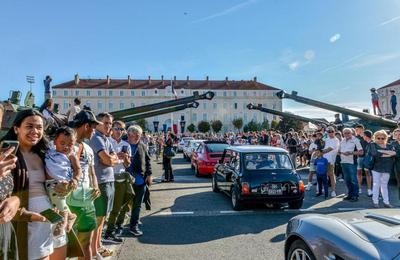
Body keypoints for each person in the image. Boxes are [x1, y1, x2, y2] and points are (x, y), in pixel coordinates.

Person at [3, 109, 68, 260]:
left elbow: (50, 186)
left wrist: (62, 188)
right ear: (16, 128)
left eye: (39, 127)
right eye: (29, 126)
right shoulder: (6, 154)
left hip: (49, 218)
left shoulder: (44, 154)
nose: (35, 131)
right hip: (23, 222)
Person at [68, 110, 101, 260]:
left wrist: (96, 185)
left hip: (87, 202)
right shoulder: (62, 144)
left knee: (86, 243)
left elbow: (92, 171)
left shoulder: (88, 149)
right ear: (87, 126)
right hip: (66, 203)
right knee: (64, 246)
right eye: (94, 128)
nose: (94, 132)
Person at [89, 112, 118, 258]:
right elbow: (108, 159)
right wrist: (111, 159)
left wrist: (111, 159)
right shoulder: (96, 138)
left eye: (110, 123)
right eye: (105, 123)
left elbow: (115, 158)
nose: (109, 126)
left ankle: (98, 246)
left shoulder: (106, 139)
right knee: (98, 218)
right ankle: (94, 251)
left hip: (108, 180)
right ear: (98, 123)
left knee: (103, 218)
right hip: (101, 182)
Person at [44, 127, 81, 237]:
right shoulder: (50, 152)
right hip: (49, 182)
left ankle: (63, 221)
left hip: (63, 182)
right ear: (55, 141)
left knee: (57, 197)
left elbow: (78, 169)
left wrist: (75, 179)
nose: (66, 147)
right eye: (62, 143)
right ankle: (69, 216)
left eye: (70, 144)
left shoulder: (71, 155)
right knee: (53, 201)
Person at [104, 121, 132, 243]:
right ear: (112, 129)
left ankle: (110, 230)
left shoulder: (126, 144)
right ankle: (107, 230)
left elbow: (127, 165)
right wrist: (115, 157)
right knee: (105, 208)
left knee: (118, 206)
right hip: (107, 177)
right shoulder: (107, 141)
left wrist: (125, 158)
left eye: (121, 129)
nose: (119, 131)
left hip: (120, 177)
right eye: (117, 128)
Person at [126, 125, 152, 237]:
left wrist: (149, 174)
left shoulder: (142, 145)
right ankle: (116, 228)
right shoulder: (123, 144)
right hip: (125, 180)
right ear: (129, 134)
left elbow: (148, 161)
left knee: (137, 205)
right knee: (123, 206)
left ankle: (133, 226)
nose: (137, 137)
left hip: (140, 180)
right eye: (135, 135)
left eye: (139, 135)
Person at [369, 130, 395, 208]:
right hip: (376, 167)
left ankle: (386, 202)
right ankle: (375, 202)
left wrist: (381, 152)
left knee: (384, 185)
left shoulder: (390, 145)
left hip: (387, 168)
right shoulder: (372, 144)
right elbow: (374, 153)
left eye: (383, 138)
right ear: (375, 138)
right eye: (378, 138)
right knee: (376, 184)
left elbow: (394, 153)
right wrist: (388, 153)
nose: (380, 140)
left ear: (386, 138)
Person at [338, 128, 363, 202]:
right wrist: (340, 153)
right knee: (347, 180)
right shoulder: (342, 141)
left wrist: (351, 153)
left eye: (348, 133)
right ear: (343, 134)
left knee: (353, 180)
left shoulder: (356, 140)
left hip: (352, 162)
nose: (347, 134)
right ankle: (350, 194)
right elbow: (339, 151)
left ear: (351, 133)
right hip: (343, 162)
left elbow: (361, 152)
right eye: (345, 133)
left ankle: (355, 195)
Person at [354, 125, 372, 197]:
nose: (356, 131)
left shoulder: (367, 135)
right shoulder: (356, 137)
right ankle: (359, 188)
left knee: (368, 173)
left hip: (367, 157)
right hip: (360, 157)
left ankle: (369, 189)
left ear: (361, 129)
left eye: (357, 129)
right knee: (359, 173)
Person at [322, 127, 340, 197]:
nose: (330, 133)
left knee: (331, 175)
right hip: (324, 159)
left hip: (331, 161)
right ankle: (324, 188)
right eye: (329, 132)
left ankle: (333, 191)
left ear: (334, 132)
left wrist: (320, 152)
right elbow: (322, 145)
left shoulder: (336, 140)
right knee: (324, 175)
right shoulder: (326, 139)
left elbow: (329, 149)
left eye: (332, 131)